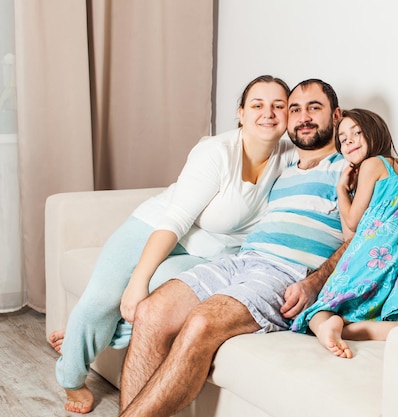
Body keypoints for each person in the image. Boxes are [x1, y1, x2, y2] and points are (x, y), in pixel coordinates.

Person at [47, 74, 297, 414]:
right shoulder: (216, 152)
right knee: (105, 298)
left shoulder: (291, 156)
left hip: (209, 252)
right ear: (240, 112)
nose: (267, 113)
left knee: (154, 306)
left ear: (288, 113)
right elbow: (174, 222)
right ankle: (72, 377)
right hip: (158, 226)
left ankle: (90, 334)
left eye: (277, 106)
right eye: (257, 105)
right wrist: (135, 282)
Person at [118, 79, 346, 417]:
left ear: (337, 116)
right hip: (242, 261)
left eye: (315, 108)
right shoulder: (282, 165)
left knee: (200, 323)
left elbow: (368, 231)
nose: (303, 117)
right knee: (150, 312)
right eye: (295, 109)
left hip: (288, 274)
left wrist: (315, 283)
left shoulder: (352, 168)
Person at [291, 108, 398, 358]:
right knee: (350, 318)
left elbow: (351, 224)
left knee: (316, 312)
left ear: (375, 132)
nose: (348, 141)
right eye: (342, 138)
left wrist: (341, 189)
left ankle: (330, 324)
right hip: (394, 259)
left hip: (368, 255)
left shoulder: (372, 165)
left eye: (356, 132)